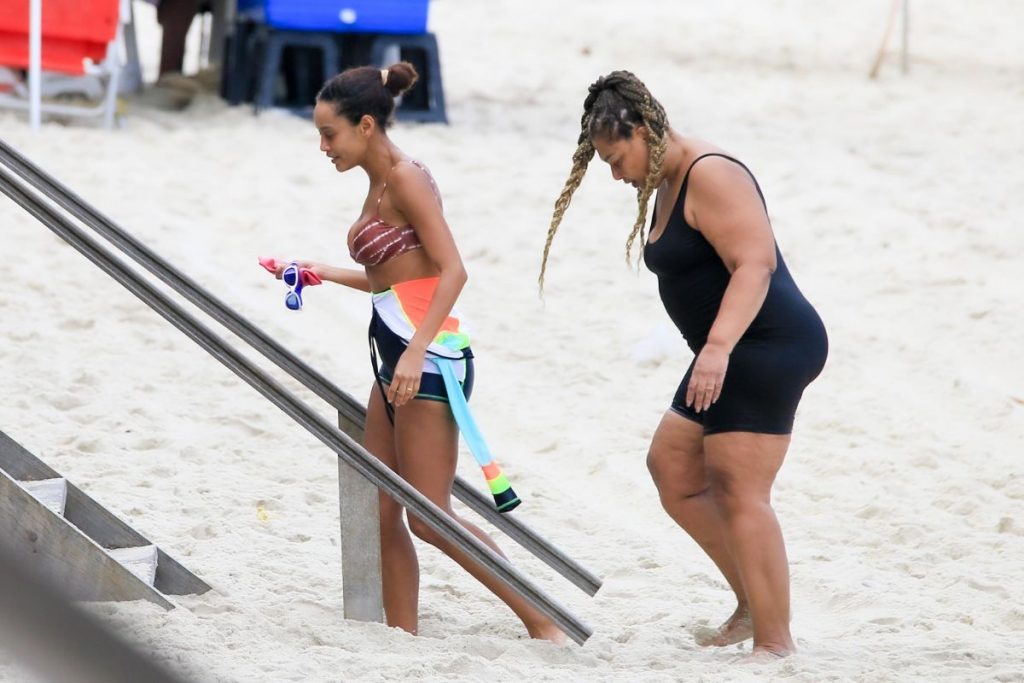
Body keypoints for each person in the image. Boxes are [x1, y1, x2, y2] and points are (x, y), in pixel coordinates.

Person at [271, 62, 563, 643]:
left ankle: (543, 619)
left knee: (429, 517)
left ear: (366, 125)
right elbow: (393, 280)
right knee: (384, 507)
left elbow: (453, 271)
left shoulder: (406, 178)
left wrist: (414, 352)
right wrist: (319, 271)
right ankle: (400, 638)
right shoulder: (378, 182)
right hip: (396, 355)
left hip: (426, 361)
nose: (323, 147)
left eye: (329, 134)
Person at [540, 70, 828, 658]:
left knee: (739, 488)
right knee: (672, 466)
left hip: (765, 343)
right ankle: (753, 603)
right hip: (729, 347)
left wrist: (716, 349)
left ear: (644, 131)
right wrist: (714, 350)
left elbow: (756, 264)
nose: (615, 174)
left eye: (616, 159)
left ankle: (775, 641)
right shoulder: (667, 179)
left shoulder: (711, 172)